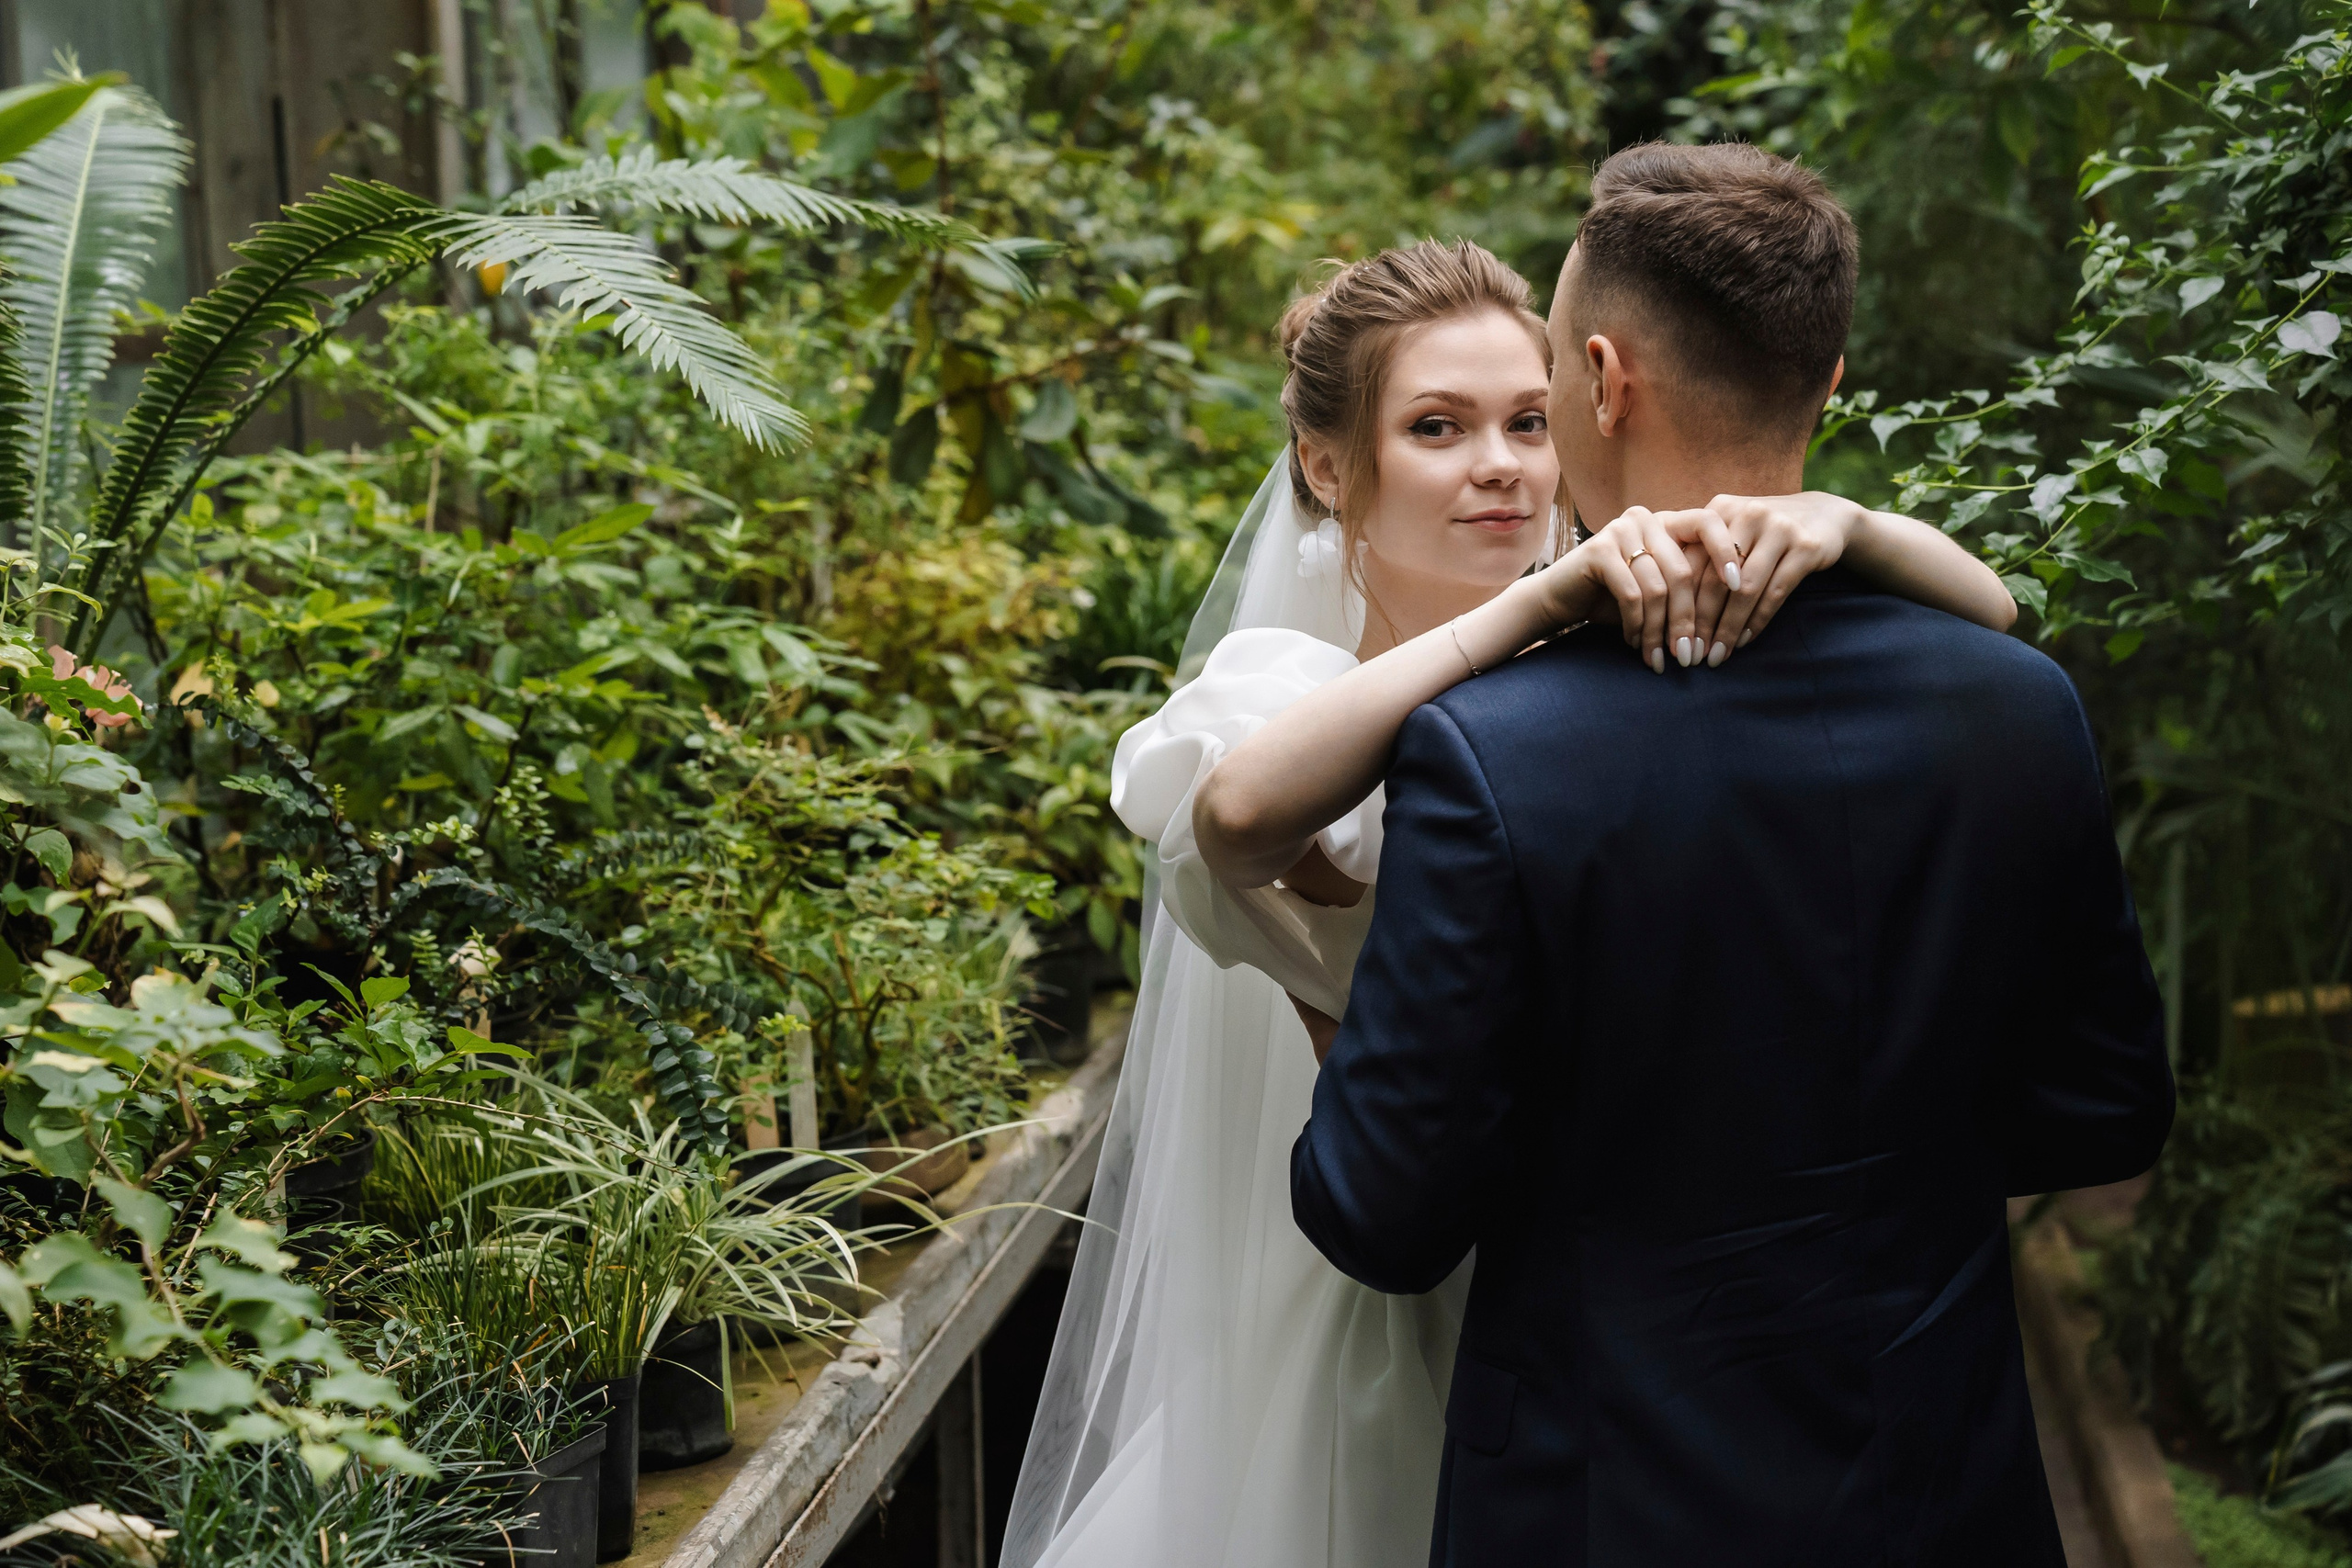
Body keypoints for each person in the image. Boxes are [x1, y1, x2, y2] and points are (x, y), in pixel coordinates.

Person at [1001, 230, 2018, 1568]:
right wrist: (1532, 606)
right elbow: (1240, 819)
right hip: (1409, 1308)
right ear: (1328, 466)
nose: (1501, 464)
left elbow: (1994, 620)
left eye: (1530, 421)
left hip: (1629, 1321)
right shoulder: (1270, 699)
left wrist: (1848, 522)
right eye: (1437, 426)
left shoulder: (1606, 669)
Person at [1288, 144, 2173, 1566]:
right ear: (1828, 385)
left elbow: (1380, 1215)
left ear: (1601, 378)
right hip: (1944, 1494)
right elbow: (2106, 1114)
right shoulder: (2019, 705)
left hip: (1602, 1510)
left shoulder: (1492, 753)